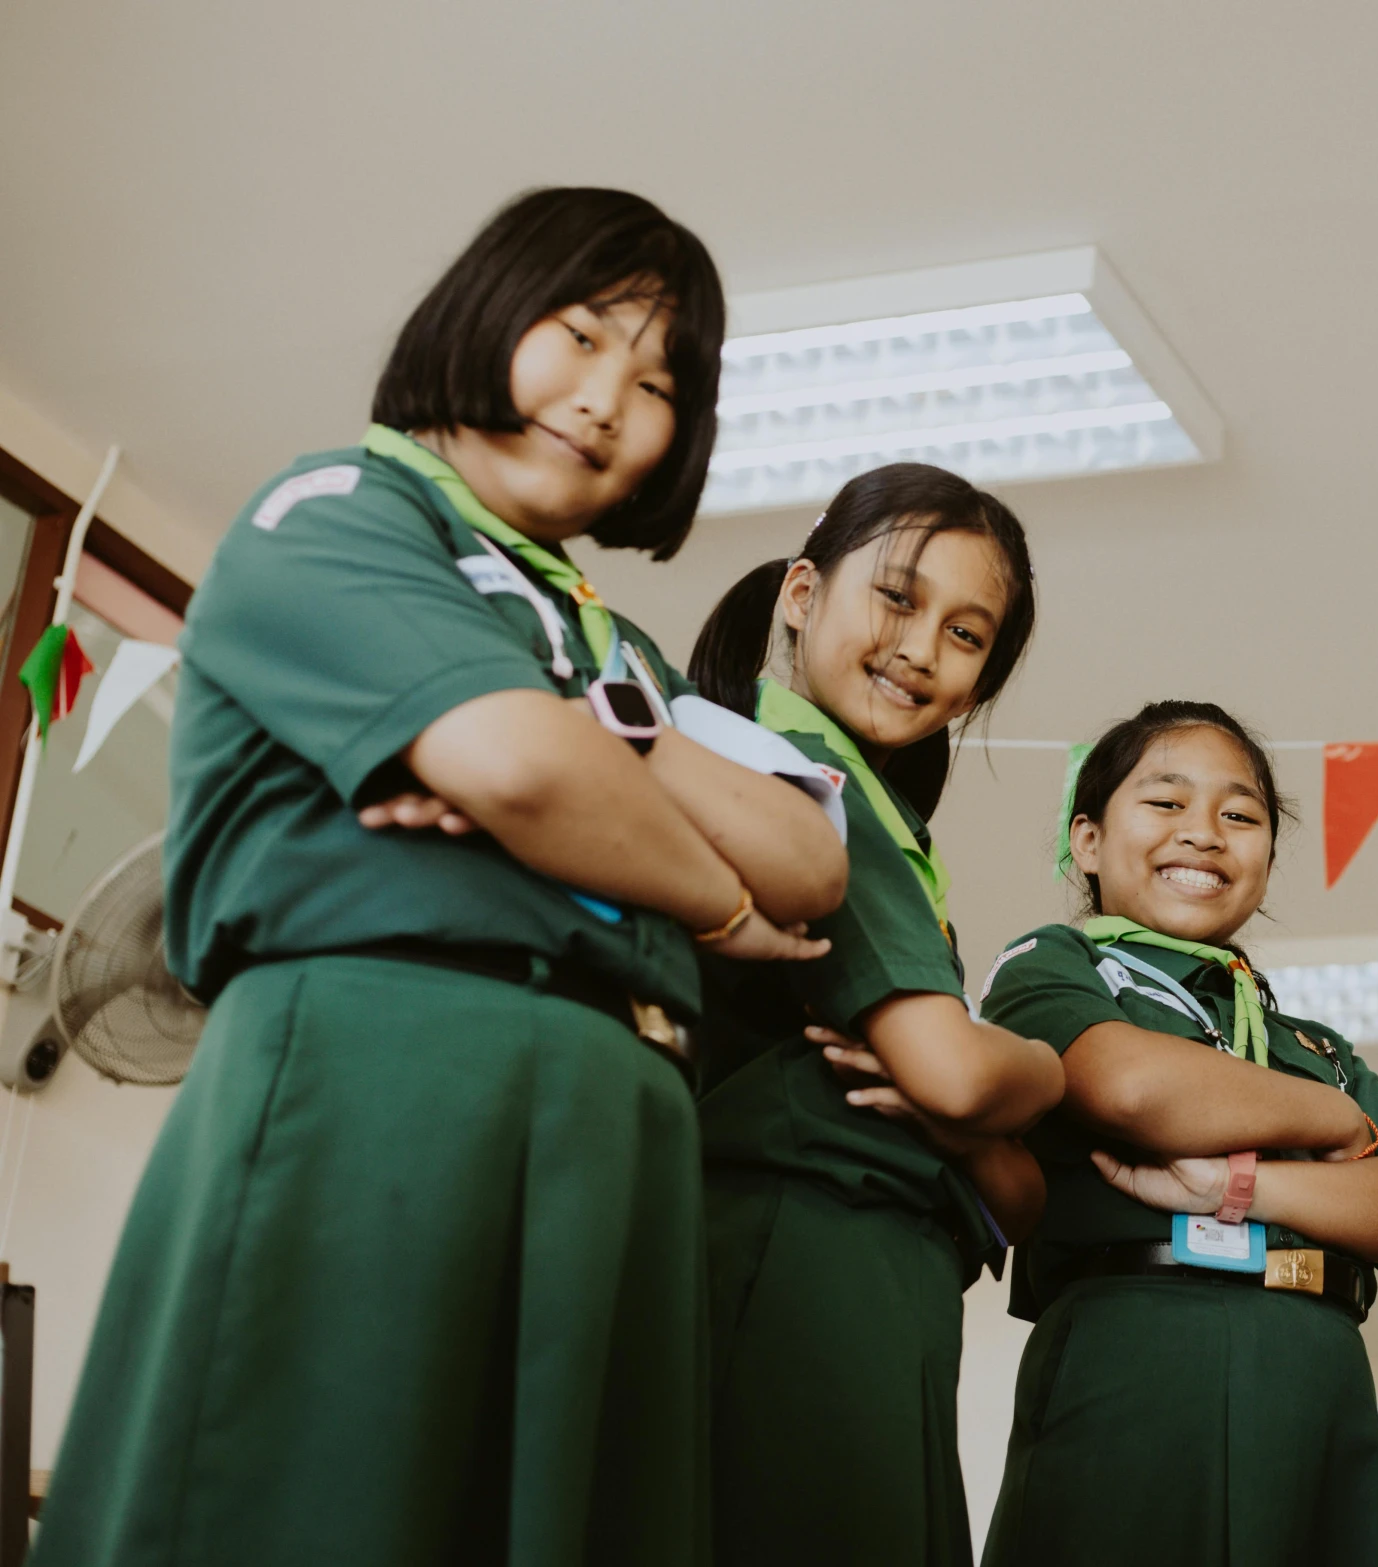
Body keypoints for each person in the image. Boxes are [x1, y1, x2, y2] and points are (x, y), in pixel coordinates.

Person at [35, 187, 850, 1567]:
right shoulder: (341, 507)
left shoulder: (607, 638)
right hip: (385, 1066)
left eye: (656, 383)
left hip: (623, 1116)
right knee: (313, 1503)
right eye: (580, 336)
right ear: (484, 311)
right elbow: (519, 766)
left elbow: (809, 857)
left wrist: (591, 746)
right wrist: (702, 895)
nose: (604, 401)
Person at [975, 701, 1378, 1567]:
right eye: (1165, 803)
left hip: (1318, 1380)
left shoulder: (1312, 1043)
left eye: (1239, 816)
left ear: (1267, 859)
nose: (1203, 833)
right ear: (1087, 841)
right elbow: (1131, 1088)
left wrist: (1240, 1185)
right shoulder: (1057, 964)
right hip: (1136, 1356)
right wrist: (1331, 1118)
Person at [687, 463, 1063, 1567]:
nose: (919, 647)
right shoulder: (791, 775)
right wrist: (1041, 1067)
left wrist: (979, 1117)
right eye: (894, 598)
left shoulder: (882, 815)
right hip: (796, 1261)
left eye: (965, 632)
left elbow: (1017, 1190)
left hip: (884, 1277)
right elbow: (951, 1080)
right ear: (801, 593)